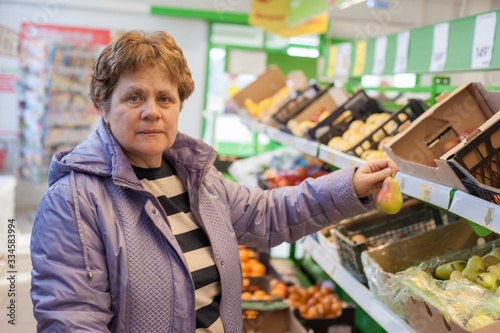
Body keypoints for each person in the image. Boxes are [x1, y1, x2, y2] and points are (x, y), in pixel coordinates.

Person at [30, 30, 398, 333]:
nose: (151, 111)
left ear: (179, 107)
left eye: (165, 98)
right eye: (134, 97)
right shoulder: (74, 200)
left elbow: (269, 213)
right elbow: (72, 319)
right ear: (104, 106)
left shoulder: (198, 179)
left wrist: (350, 185)